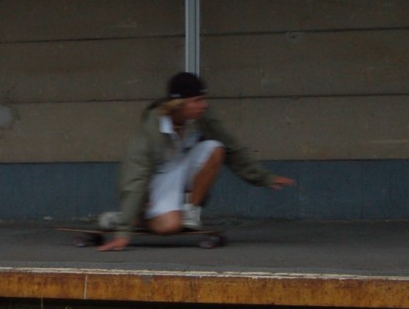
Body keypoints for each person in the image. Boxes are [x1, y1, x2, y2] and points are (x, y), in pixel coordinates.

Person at [97, 72, 292, 251]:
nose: (203, 105)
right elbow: (135, 178)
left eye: (203, 99)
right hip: (156, 178)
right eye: (197, 101)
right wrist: (123, 232)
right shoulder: (152, 132)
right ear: (178, 103)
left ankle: (191, 211)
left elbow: (231, 147)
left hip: (184, 166)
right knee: (169, 226)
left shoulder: (202, 118)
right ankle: (126, 219)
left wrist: (263, 177)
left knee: (216, 148)